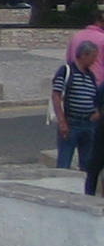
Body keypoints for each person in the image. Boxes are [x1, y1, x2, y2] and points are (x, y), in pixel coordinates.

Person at [50, 42, 100, 174]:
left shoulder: (91, 76)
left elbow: (94, 97)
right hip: (71, 123)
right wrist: (62, 122)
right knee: (64, 164)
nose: (95, 61)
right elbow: (56, 96)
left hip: (88, 124)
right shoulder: (66, 71)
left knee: (87, 165)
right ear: (84, 55)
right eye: (93, 57)